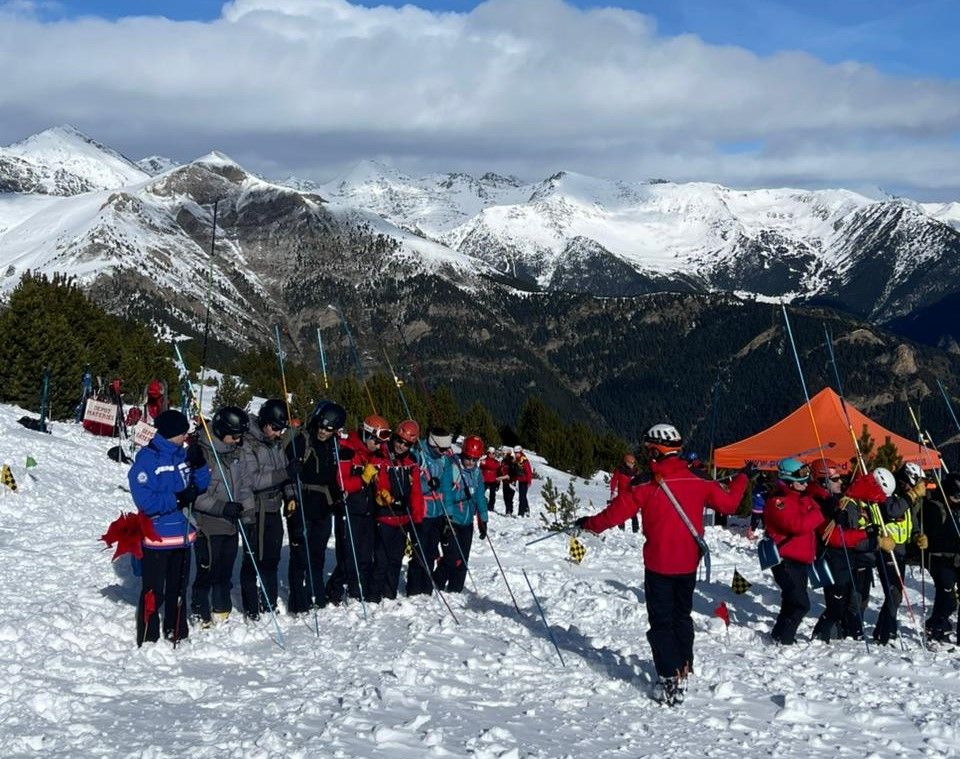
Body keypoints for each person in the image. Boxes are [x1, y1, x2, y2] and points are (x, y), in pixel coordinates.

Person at [576, 423, 749, 707]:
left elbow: (614, 515)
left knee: (661, 622)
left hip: (658, 564)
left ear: (655, 451)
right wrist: (742, 479)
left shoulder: (645, 483)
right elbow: (729, 505)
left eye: (648, 451)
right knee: (682, 615)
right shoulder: (698, 477)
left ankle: (668, 676)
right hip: (688, 563)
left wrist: (589, 524)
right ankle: (684, 665)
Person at [128, 409, 211, 645]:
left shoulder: (182, 455)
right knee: (154, 590)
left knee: (178, 589)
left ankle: (177, 631)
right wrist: (177, 499)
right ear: (171, 433)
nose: (186, 436)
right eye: (182, 432)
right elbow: (145, 500)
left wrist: (200, 464)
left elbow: (201, 485)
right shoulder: (148, 459)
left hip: (183, 536)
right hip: (157, 537)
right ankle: (148, 636)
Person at [191, 406, 250, 626]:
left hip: (231, 525)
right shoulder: (203, 454)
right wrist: (222, 507)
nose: (238, 440)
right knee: (207, 571)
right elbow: (196, 496)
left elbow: (244, 486)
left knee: (225, 572)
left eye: (240, 436)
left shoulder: (235, 454)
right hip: (208, 525)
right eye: (234, 435)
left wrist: (247, 514)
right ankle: (200, 611)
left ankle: (222, 609)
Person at [285, 401, 346, 613]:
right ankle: (298, 601)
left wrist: (338, 499)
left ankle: (316, 594)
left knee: (317, 554)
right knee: (300, 554)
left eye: (329, 429)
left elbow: (333, 477)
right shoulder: (302, 440)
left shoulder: (333, 446)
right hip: (302, 501)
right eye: (321, 426)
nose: (323, 432)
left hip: (323, 506)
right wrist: (291, 496)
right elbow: (288, 474)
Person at [812, 470, 885, 642]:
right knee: (836, 605)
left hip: (844, 559)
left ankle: (835, 634)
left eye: (841, 478)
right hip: (832, 559)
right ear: (824, 482)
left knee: (842, 603)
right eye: (835, 479)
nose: (840, 482)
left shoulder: (836, 502)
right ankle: (819, 635)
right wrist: (865, 535)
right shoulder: (822, 503)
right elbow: (837, 538)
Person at [239, 399, 296, 620]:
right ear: (264, 422)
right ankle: (251, 607)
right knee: (253, 557)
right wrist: (285, 474)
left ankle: (269, 601)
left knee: (271, 558)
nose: (278, 433)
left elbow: (285, 471)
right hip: (254, 509)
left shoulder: (276, 443)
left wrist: (290, 494)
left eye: (281, 429)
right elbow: (252, 480)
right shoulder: (248, 443)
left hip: (273, 507)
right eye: (274, 428)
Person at [762, 458, 824, 645]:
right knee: (800, 603)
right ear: (788, 480)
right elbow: (798, 525)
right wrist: (819, 512)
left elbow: (811, 511)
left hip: (801, 560)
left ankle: (779, 635)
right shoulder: (778, 502)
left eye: (807, 479)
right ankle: (786, 638)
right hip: (785, 560)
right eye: (801, 479)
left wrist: (821, 500)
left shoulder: (802, 498)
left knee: (791, 601)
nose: (805, 483)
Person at [329, 414, 389, 604]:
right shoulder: (347, 450)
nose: (379, 446)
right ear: (367, 435)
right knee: (348, 556)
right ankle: (333, 590)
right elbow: (342, 483)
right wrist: (362, 479)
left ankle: (357, 590)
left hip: (367, 510)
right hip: (350, 510)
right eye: (377, 441)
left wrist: (381, 493)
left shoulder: (371, 455)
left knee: (365, 555)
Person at [871, 464, 927, 645]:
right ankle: (887, 632)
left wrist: (918, 535)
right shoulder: (890, 493)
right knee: (893, 593)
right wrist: (913, 495)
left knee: (896, 593)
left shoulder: (906, 499)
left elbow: (911, 520)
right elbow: (892, 510)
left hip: (901, 551)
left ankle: (882, 629)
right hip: (887, 549)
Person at [371, 419, 425, 600]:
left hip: (403, 519)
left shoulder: (411, 464)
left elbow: (416, 493)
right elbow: (381, 484)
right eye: (399, 441)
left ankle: (389, 594)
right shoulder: (383, 458)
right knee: (381, 560)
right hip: (385, 518)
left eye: (406, 444)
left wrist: (417, 520)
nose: (401, 446)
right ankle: (374, 596)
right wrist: (388, 498)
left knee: (395, 560)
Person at [434, 435, 489, 592]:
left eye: (475, 459)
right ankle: (436, 582)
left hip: (467, 522)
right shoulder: (452, 467)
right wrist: (448, 515)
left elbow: (479, 495)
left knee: (463, 558)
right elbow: (446, 490)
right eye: (469, 458)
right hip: (453, 520)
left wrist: (483, 518)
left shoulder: (477, 473)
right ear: (463, 453)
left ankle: (455, 589)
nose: (471, 462)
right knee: (452, 557)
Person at [408, 427, 456, 595]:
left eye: (446, 449)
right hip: (422, 513)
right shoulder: (418, 456)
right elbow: (411, 485)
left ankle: (426, 588)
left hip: (437, 513)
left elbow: (447, 490)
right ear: (432, 443)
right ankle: (414, 589)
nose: (444, 452)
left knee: (431, 552)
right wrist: (426, 486)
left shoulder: (444, 460)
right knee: (419, 553)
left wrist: (448, 515)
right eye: (441, 449)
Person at [920, 472, 960, 643]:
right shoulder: (934, 508)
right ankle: (935, 629)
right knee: (947, 597)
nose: (957, 500)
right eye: (955, 496)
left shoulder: (955, 510)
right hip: (939, 558)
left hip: (955, 559)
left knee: (952, 600)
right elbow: (935, 538)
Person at [610, 453, 640, 533]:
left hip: (632, 495)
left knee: (633, 512)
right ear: (626, 462)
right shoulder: (620, 470)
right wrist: (613, 492)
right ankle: (621, 529)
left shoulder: (636, 471)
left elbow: (639, 483)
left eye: (633, 463)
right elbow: (614, 481)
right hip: (621, 495)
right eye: (630, 462)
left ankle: (635, 530)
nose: (632, 464)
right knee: (621, 511)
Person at [512, 445, 534, 517]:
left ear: (520, 452)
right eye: (515, 453)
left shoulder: (524, 460)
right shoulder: (516, 460)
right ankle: (526, 510)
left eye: (517, 453)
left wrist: (529, 481)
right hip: (520, 480)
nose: (516, 454)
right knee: (523, 496)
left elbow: (529, 471)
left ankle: (521, 513)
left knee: (522, 497)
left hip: (525, 481)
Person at [480, 446, 501, 513]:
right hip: (484, 480)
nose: (491, 455)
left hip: (493, 480)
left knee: (492, 495)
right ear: (488, 453)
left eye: (493, 453)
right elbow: (481, 468)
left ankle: (490, 507)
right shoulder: (484, 460)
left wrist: (498, 483)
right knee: (480, 493)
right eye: (490, 453)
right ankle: (480, 505)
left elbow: (498, 471)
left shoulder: (496, 462)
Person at [500, 448, 516, 516]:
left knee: (510, 497)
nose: (503, 455)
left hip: (511, 482)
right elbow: (501, 470)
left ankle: (509, 511)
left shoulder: (512, 461)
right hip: (505, 481)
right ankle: (508, 510)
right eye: (503, 454)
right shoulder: (503, 461)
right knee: (505, 497)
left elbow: (514, 471)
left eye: (504, 454)